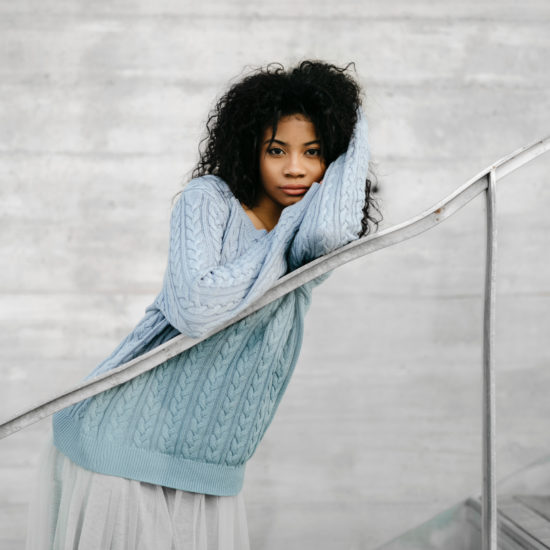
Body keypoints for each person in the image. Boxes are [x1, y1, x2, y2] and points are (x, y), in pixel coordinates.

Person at [25, 60, 380, 550]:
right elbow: (196, 307)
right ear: (251, 149)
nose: (295, 167)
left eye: (314, 152)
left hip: (210, 462)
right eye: (277, 150)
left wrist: (354, 120)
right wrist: (280, 237)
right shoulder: (209, 200)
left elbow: (334, 227)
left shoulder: (308, 240)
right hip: (119, 440)